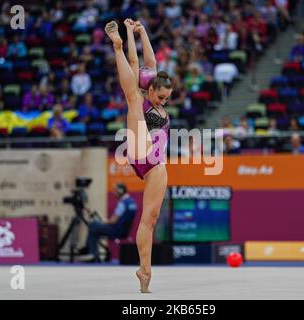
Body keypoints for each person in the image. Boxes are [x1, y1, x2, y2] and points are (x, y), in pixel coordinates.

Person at [105, 19, 172, 293]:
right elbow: (139, 64)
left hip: (150, 161)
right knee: (132, 96)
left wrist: (141, 32)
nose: (163, 101)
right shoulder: (143, 98)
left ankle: (145, 271)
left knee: (151, 218)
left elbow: (148, 61)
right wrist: (126, 43)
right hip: (144, 152)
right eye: (161, 96)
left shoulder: (152, 86)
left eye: (168, 99)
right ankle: (116, 47)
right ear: (152, 89)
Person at [81, 183, 138, 262]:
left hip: (116, 230)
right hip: (123, 230)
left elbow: (113, 221)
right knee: (94, 229)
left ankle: (92, 254)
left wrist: (102, 221)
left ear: (120, 191)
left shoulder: (122, 203)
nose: (114, 193)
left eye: (115, 191)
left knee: (93, 225)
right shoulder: (132, 202)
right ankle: (93, 254)